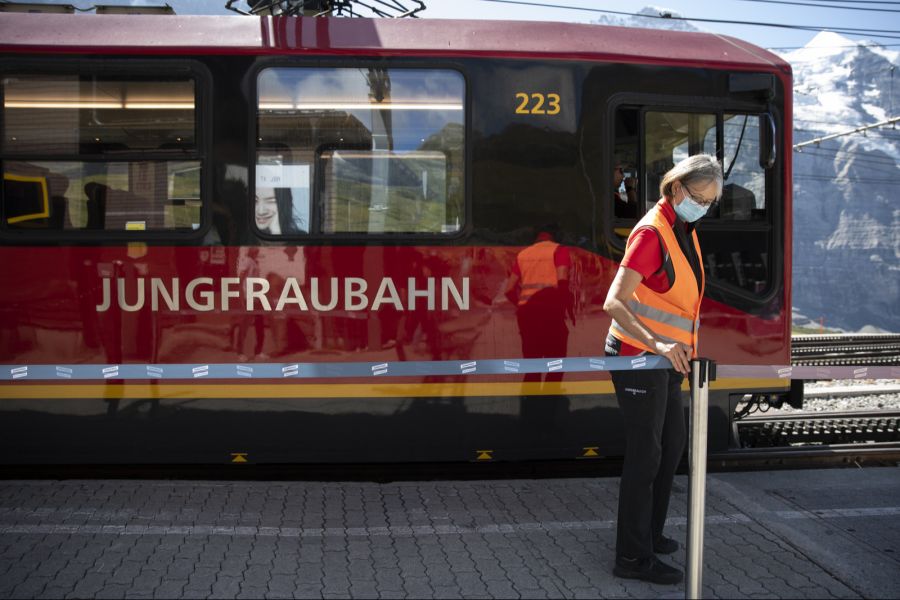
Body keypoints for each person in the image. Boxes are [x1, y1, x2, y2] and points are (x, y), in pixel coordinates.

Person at [602, 154, 722, 585]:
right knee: (646, 455)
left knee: (670, 448)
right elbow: (614, 301)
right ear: (676, 190)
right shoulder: (653, 233)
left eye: (710, 203)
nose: (703, 209)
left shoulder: (682, 229)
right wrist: (657, 344)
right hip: (640, 356)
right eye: (699, 199)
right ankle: (632, 558)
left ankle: (649, 534)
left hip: (668, 361)